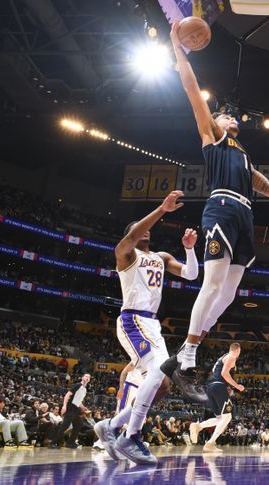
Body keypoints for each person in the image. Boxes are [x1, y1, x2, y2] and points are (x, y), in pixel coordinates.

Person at [164, 21, 269, 395]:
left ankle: (188, 349)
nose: (228, 115)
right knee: (214, 283)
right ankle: (187, 356)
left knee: (228, 294)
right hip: (221, 208)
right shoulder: (213, 138)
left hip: (245, 216)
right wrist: (178, 48)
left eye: (227, 115)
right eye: (223, 114)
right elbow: (191, 88)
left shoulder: (243, 155)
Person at [93, 190, 200, 465]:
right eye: (140, 230)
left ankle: (111, 425)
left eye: (148, 231)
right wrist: (162, 210)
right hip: (132, 320)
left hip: (152, 324)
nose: (146, 233)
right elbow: (132, 236)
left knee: (162, 385)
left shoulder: (162, 257)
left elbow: (191, 274)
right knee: (155, 374)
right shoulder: (125, 254)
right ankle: (131, 435)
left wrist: (189, 248)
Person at [189, 342, 244, 452]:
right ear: (238, 350)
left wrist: (228, 388)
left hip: (212, 387)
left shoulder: (223, 357)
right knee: (227, 418)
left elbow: (218, 374)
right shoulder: (231, 357)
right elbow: (224, 373)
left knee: (220, 418)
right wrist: (237, 386)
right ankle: (209, 443)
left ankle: (199, 427)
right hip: (219, 387)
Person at [51, 373, 91, 449]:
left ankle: (70, 443)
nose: (87, 378)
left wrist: (83, 407)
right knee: (64, 426)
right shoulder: (77, 385)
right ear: (82, 377)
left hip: (76, 409)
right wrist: (64, 406)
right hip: (70, 407)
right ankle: (53, 443)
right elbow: (67, 395)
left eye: (89, 377)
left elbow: (79, 401)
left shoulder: (85, 389)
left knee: (78, 424)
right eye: (86, 376)